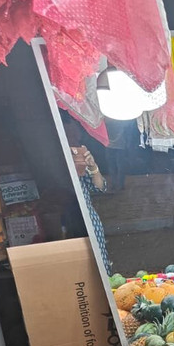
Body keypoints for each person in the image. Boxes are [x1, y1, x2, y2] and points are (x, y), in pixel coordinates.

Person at [62, 113, 112, 273]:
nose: (76, 138)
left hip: (89, 219)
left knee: (100, 266)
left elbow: (100, 187)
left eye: (77, 134)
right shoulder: (55, 160)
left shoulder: (80, 157)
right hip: (65, 220)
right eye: (71, 134)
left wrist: (92, 166)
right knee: (76, 269)